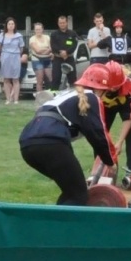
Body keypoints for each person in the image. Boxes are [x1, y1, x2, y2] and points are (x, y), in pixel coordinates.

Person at [18, 64, 118, 205]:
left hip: (27, 143)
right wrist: (110, 161)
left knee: (71, 190)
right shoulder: (91, 97)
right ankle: (61, 220)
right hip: (51, 143)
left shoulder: (68, 94)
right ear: (101, 89)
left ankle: (55, 218)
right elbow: (98, 133)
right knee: (78, 195)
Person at [0, 19, 25, 105]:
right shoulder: (2, 35)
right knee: (6, 79)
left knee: (15, 79)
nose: (11, 25)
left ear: (15, 25)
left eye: (12, 24)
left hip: (15, 57)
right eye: (9, 24)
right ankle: (8, 99)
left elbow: (21, 48)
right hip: (5, 57)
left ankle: (16, 99)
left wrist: (16, 54)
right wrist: (4, 53)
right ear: (6, 25)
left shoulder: (19, 36)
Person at [50, 15, 78, 91]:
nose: (62, 24)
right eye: (60, 23)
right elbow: (53, 45)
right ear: (58, 23)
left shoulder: (72, 33)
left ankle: (73, 95)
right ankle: (54, 95)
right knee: (56, 78)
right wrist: (60, 52)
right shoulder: (54, 34)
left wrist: (67, 52)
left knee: (73, 79)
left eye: (63, 22)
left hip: (69, 58)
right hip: (57, 58)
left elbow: (74, 45)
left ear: (66, 23)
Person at [27, 22, 53, 100]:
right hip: (37, 59)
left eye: (39, 29)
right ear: (34, 30)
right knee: (40, 79)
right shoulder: (32, 39)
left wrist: (43, 51)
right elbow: (37, 50)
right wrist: (46, 50)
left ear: (42, 29)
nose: (38, 31)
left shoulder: (47, 37)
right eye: (36, 29)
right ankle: (39, 98)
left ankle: (51, 96)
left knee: (50, 78)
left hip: (47, 59)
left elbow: (51, 48)